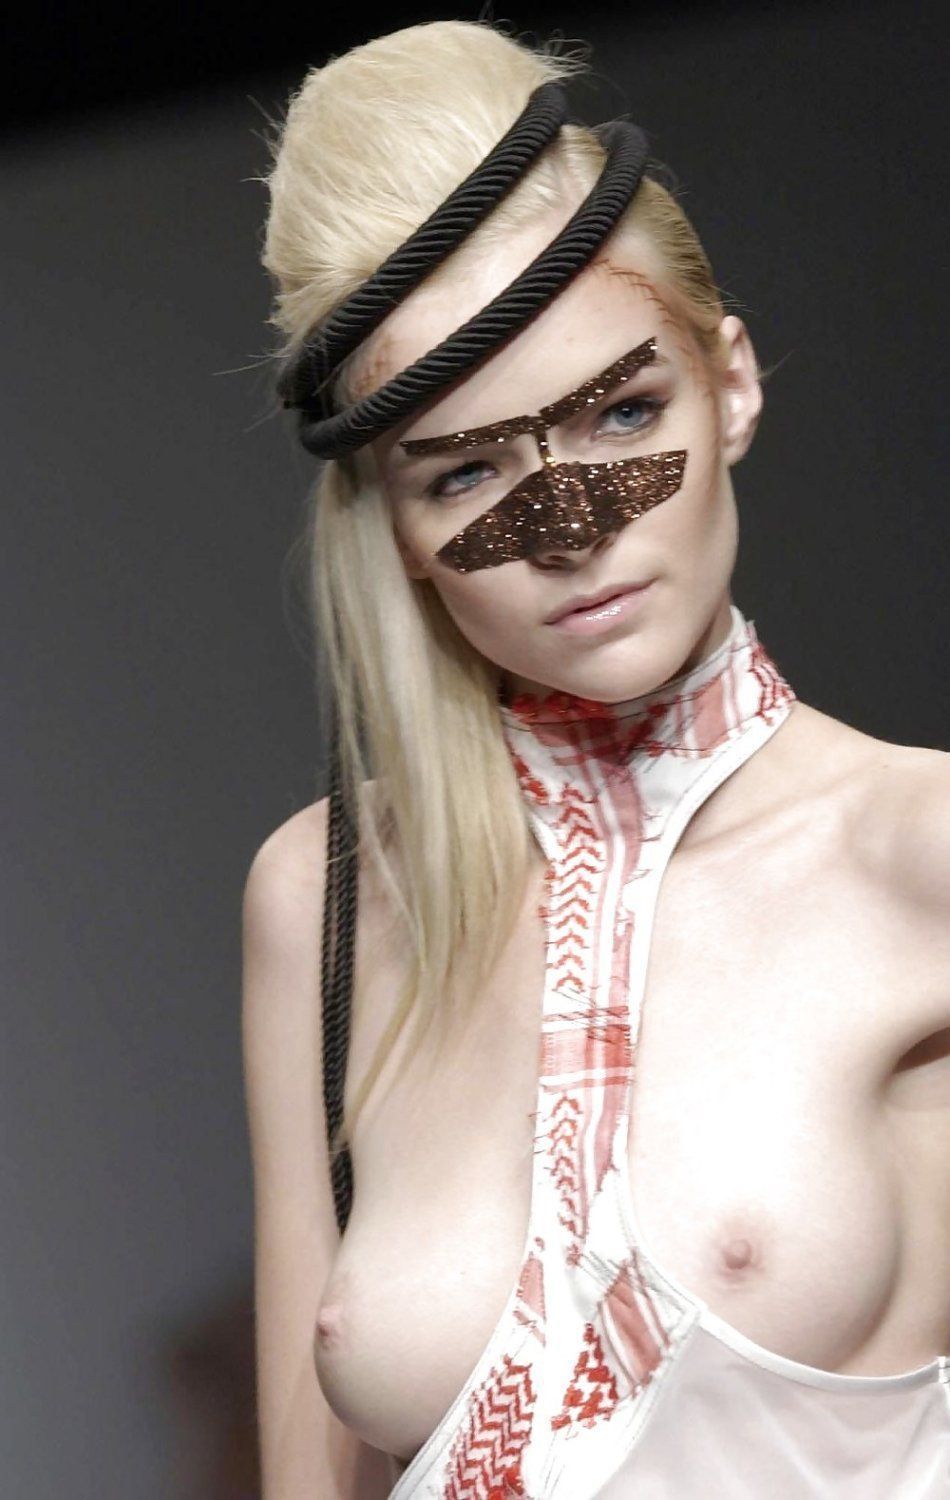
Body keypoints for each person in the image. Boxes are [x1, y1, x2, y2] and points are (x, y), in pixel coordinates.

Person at [241, 19, 950, 1500]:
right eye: (467, 472)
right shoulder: (326, 897)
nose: (570, 530)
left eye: (625, 413)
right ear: (396, 526)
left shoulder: (923, 854)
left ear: (731, 385)